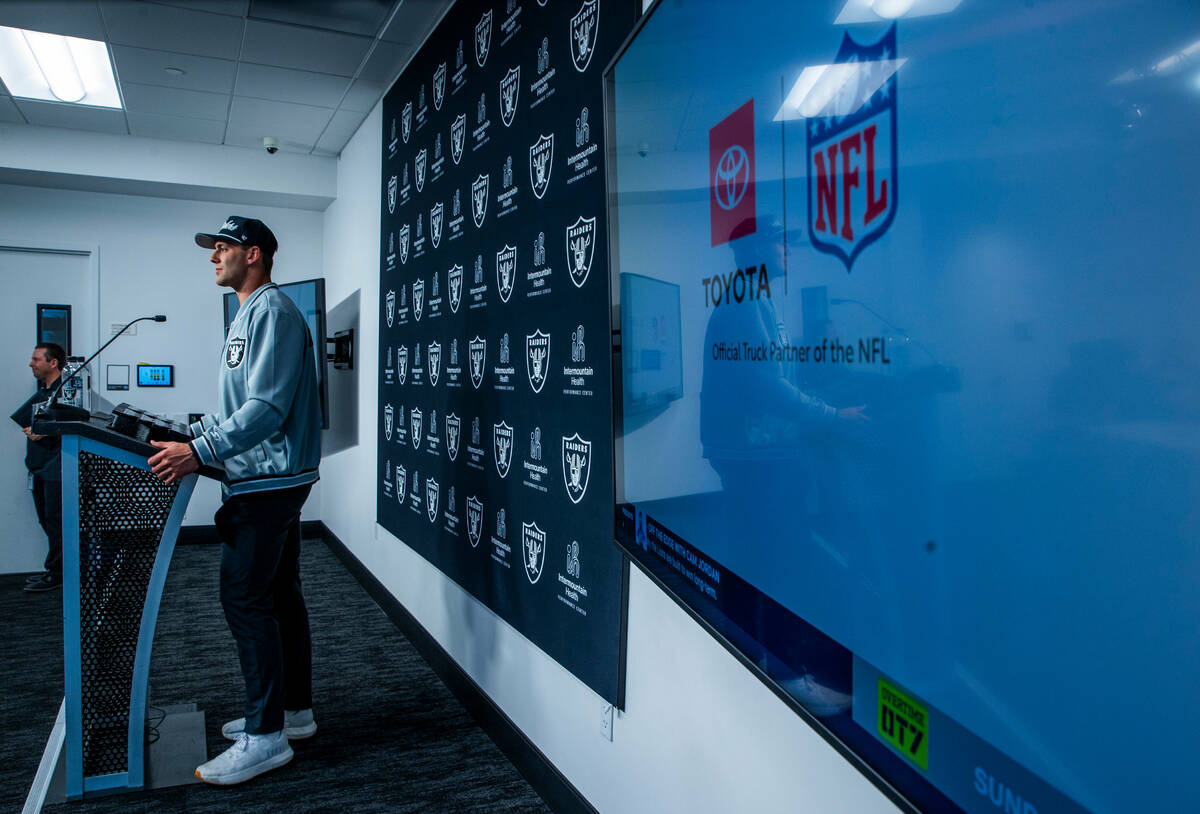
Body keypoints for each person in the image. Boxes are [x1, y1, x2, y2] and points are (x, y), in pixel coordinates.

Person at [147, 215, 322, 786]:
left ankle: (265, 736)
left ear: (254, 254)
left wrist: (200, 449)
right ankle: (292, 714)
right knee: (278, 594)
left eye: (222, 246)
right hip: (265, 476)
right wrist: (197, 434)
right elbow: (244, 405)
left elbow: (266, 409)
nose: (213, 255)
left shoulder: (272, 311)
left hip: (270, 482)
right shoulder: (249, 313)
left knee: (245, 598)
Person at [10, 343, 67, 593]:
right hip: (41, 468)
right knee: (48, 520)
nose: (31, 364)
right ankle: (55, 569)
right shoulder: (45, 394)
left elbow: (71, 425)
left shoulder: (66, 393)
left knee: (56, 521)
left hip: (56, 469)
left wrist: (43, 432)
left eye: (36, 359)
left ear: (52, 362)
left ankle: (58, 573)